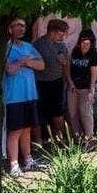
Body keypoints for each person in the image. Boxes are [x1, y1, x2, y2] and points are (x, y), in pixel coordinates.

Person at [3, 17, 45, 177]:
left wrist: (28, 62)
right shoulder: (6, 48)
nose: (21, 28)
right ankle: (13, 163)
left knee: (27, 128)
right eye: (18, 25)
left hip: (30, 94)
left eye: (23, 25)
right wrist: (23, 61)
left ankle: (28, 159)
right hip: (14, 96)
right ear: (10, 28)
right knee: (15, 130)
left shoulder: (29, 46)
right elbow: (9, 70)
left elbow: (41, 65)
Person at [32, 18, 70, 146]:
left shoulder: (61, 45)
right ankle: (38, 141)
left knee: (58, 110)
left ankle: (59, 139)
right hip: (40, 82)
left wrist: (68, 79)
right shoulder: (38, 45)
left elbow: (66, 64)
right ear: (52, 32)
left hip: (57, 82)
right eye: (60, 34)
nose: (62, 37)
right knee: (39, 111)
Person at [67, 30, 97, 147]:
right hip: (73, 87)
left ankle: (89, 140)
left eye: (88, 43)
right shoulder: (74, 52)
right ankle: (77, 138)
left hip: (85, 88)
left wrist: (92, 90)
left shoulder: (93, 55)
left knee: (86, 113)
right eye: (82, 42)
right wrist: (70, 83)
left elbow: (94, 74)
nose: (85, 46)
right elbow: (68, 69)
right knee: (72, 114)